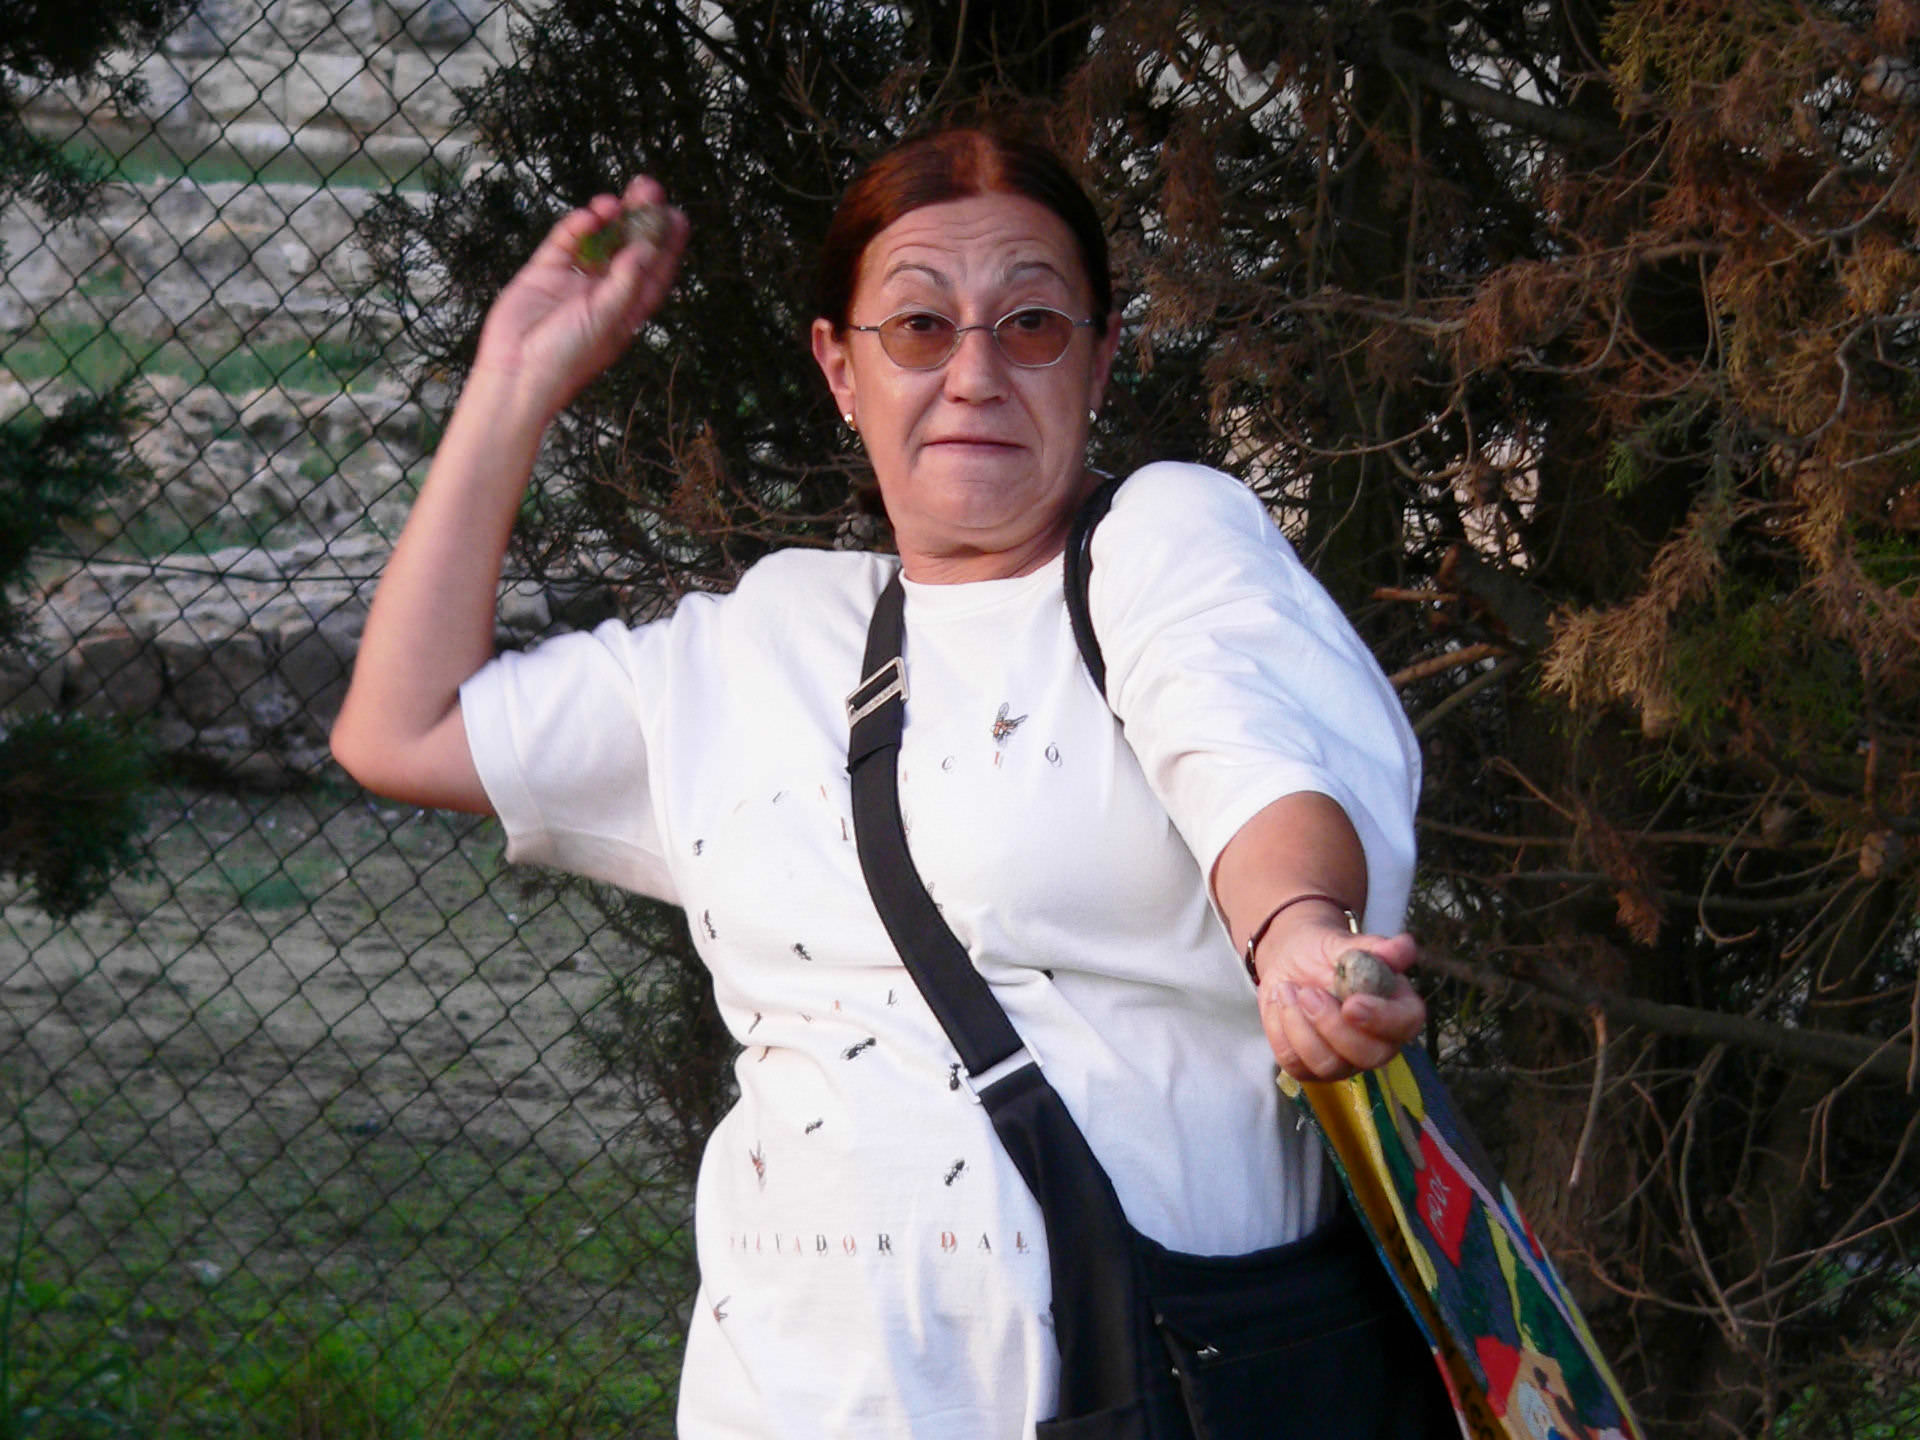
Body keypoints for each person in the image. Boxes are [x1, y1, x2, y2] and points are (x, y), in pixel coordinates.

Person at [331, 127, 1431, 1437]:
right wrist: (516, 383)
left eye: (1031, 325)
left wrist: (1297, 934)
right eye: (917, 326)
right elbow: (399, 731)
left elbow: (1244, 755)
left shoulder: (1163, 543)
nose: (973, 373)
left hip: (1139, 1394)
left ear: (1099, 360)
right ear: (840, 368)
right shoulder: (761, 640)